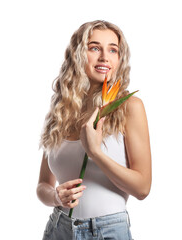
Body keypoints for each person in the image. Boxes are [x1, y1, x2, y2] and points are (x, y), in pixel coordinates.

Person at [37, 20, 152, 240]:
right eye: (94, 48)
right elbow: (43, 184)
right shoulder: (60, 110)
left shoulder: (129, 107)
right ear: (78, 54)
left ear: (119, 58)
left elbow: (143, 188)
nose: (104, 58)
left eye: (113, 49)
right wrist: (56, 197)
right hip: (58, 228)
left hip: (107, 231)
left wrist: (96, 153)